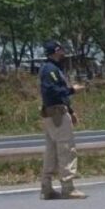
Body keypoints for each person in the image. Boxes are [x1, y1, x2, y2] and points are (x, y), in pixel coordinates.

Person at [39, 40, 86, 200]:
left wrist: (71, 111)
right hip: (57, 114)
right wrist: (72, 90)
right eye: (61, 49)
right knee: (66, 149)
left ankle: (47, 187)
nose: (63, 52)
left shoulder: (52, 68)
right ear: (56, 51)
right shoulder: (51, 69)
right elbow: (53, 91)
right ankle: (68, 187)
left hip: (53, 112)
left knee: (51, 151)